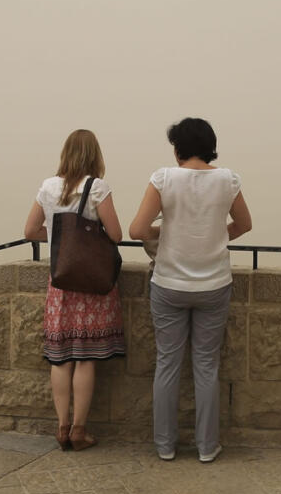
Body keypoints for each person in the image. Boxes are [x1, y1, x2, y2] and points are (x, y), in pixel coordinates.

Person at [129, 117, 252, 462]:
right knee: (206, 366)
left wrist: (167, 233)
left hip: (168, 284)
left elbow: (138, 228)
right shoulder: (227, 180)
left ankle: (165, 446)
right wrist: (213, 235)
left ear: (178, 148)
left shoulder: (164, 178)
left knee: (167, 364)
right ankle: (207, 447)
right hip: (214, 284)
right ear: (210, 145)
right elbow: (245, 224)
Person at [23, 129, 124, 452]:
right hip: (91, 285)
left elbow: (29, 231)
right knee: (85, 357)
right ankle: (80, 430)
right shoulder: (97, 188)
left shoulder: (48, 187)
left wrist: (57, 240)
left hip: (60, 283)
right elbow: (117, 234)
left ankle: (62, 426)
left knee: (60, 357)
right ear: (95, 155)